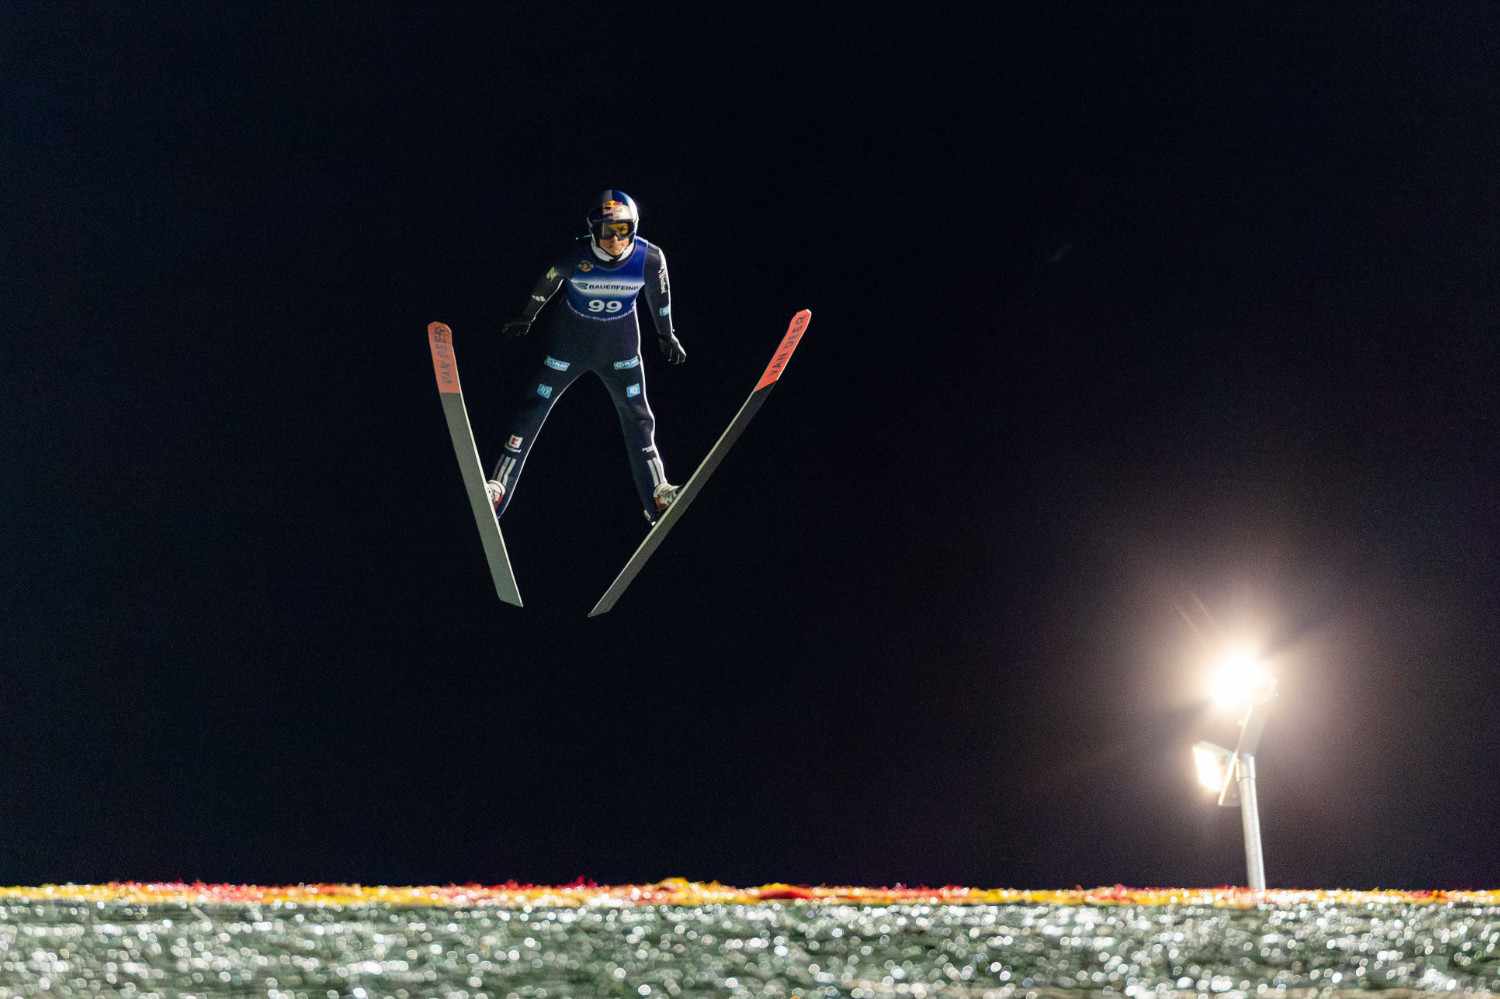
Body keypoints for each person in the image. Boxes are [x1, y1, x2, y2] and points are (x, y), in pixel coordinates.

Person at [486, 190, 688, 524]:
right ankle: (498, 488)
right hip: (570, 343)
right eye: (606, 231)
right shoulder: (574, 254)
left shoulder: (650, 258)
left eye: (622, 229)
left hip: (620, 346)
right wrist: (527, 316)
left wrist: (667, 336)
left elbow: (660, 298)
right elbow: (547, 282)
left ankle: (658, 495)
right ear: (592, 230)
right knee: (533, 406)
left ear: (633, 228)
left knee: (639, 416)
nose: (614, 239)